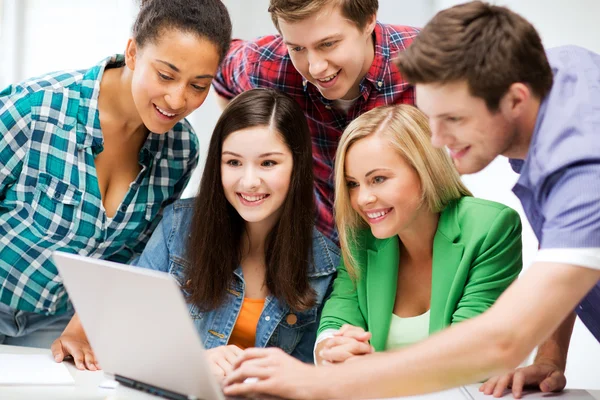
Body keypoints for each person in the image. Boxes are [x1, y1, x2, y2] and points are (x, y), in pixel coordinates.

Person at [219, 2, 600, 399]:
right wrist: (553, 356)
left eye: (453, 119)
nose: (435, 142)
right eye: (429, 117)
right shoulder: (555, 77)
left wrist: (318, 382)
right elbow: (564, 244)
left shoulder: (583, 166)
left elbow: (503, 342)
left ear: (515, 100)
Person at [51, 88, 340, 381]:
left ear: (297, 165)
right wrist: (193, 363)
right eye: (233, 162)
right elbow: (130, 333)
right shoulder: (179, 227)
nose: (249, 181)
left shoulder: (325, 265)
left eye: (268, 163)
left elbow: (311, 381)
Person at [0, 0, 232, 348]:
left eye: (198, 86)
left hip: (63, 325)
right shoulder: (35, 111)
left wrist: (87, 324)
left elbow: (129, 261)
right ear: (133, 52)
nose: (176, 99)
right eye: (166, 75)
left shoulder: (181, 151)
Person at [313, 104, 522, 365]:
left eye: (378, 179)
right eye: (353, 184)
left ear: (425, 170)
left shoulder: (490, 228)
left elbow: (466, 352)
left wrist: (371, 370)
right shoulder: (361, 238)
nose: (363, 199)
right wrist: (330, 350)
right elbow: (338, 315)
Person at [212, 0, 419, 243]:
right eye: (297, 49)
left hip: (413, 242)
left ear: (368, 20)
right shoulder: (264, 64)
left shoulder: (425, 63)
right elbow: (219, 70)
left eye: (328, 44)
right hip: (324, 242)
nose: (316, 67)